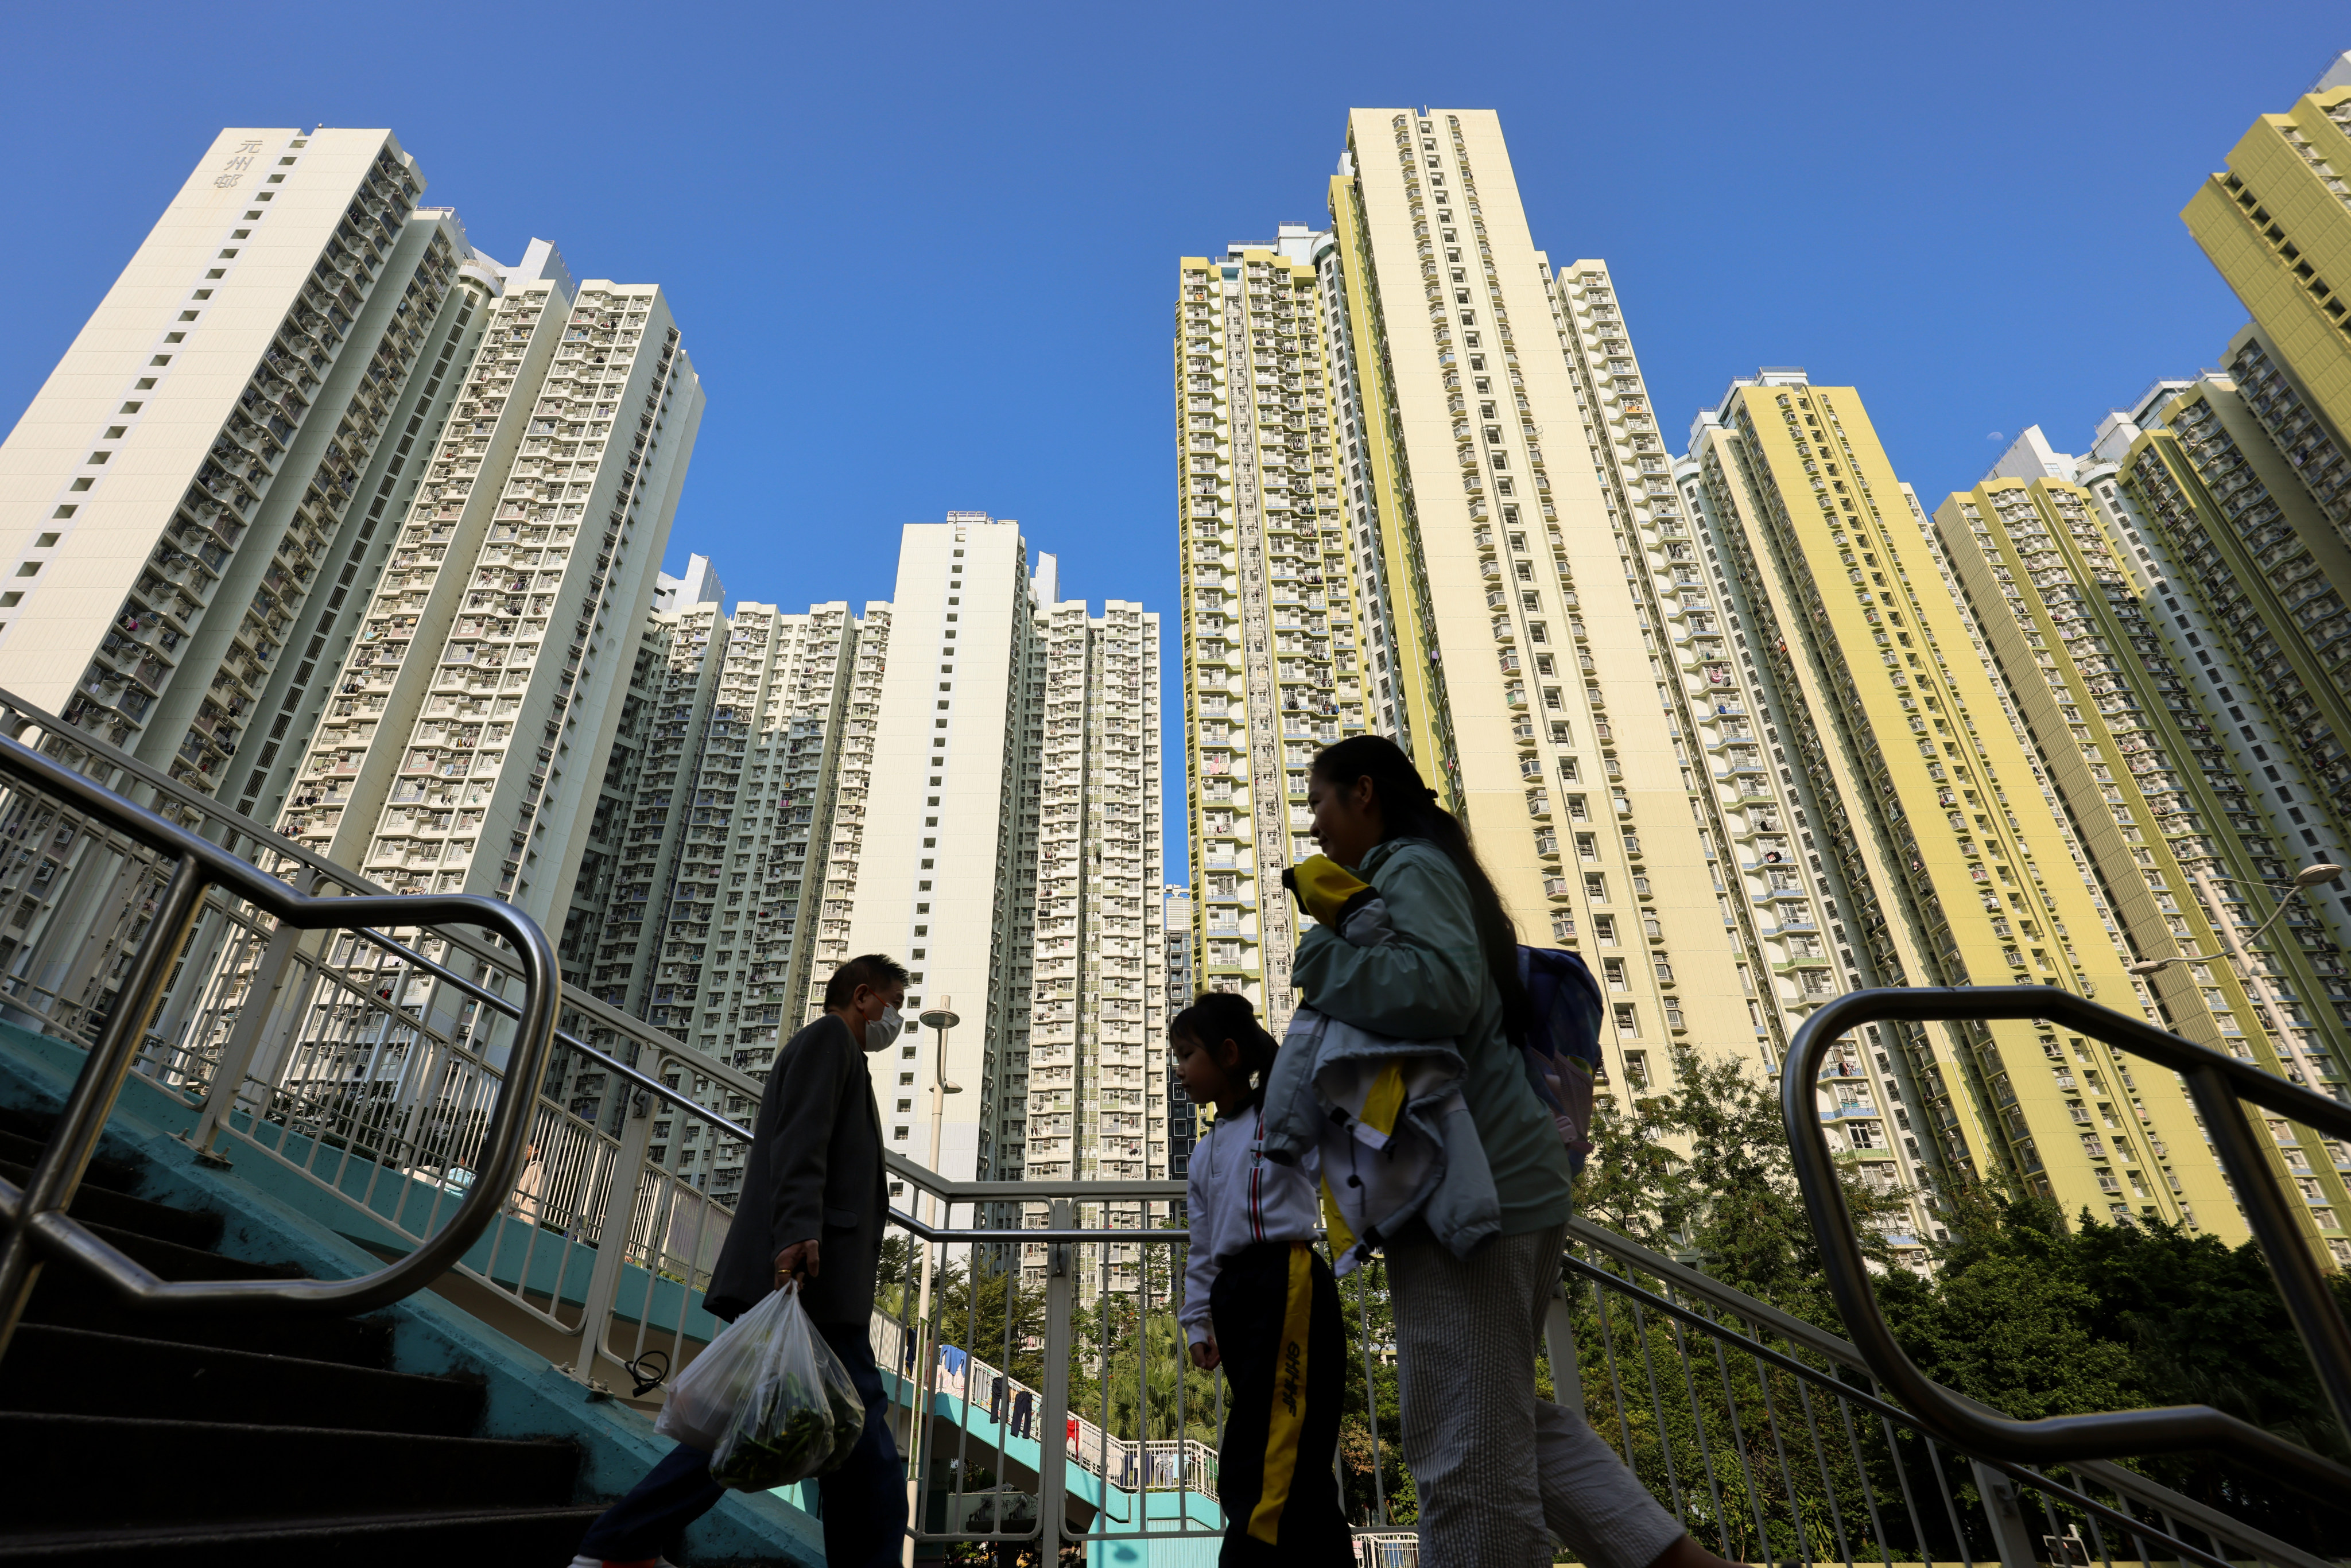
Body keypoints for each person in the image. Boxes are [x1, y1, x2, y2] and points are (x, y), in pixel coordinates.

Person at [1294, 736, 1743, 1568]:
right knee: (1501, 1415)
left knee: (1465, 1444)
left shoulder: (1407, 867)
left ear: (1364, 793)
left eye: (1317, 801)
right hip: (1510, 1176)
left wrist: (1318, 958)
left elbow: (1440, 992)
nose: (1312, 824)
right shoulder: (1430, 869)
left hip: (1474, 1190)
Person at [569, 954, 912, 1568]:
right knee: (857, 1448)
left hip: (817, 1275)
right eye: (894, 1003)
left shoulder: (838, 1051)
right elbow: (800, 1141)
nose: (897, 1018)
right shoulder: (828, 1040)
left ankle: (617, 1542)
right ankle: (614, 1543)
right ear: (863, 996)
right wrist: (799, 1234)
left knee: (779, 1432)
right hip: (813, 1276)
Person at [1173, 992, 1354, 1566]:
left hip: (1287, 1279)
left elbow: (1319, 1071)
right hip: (1236, 1296)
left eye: (1186, 1053)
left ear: (1228, 1054)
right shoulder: (1203, 1154)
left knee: (1271, 1450)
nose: (1178, 1067)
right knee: (1277, 1443)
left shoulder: (1282, 1114)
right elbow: (1202, 1244)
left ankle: (1249, 1553)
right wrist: (1198, 1317)